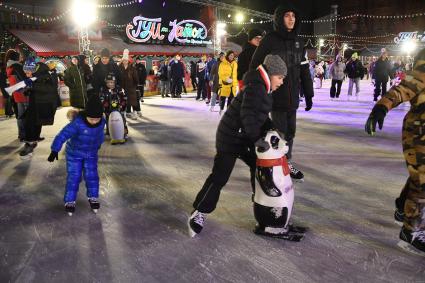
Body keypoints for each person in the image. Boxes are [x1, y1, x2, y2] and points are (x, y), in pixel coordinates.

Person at [188, 55, 287, 237]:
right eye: (280, 77)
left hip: (243, 137)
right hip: (230, 138)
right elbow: (248, 115)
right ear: (271, 74)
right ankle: (198, 213)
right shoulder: (257, 87)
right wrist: (257, 138)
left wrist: (272, 128)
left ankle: (262, 206)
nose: (281, 82)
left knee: (260, 168)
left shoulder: (262, 87)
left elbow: (260, 115)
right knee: (220, 176)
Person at [365, 48, 425, 255]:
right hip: (418, 134)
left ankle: (402, 205)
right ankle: (411, 231)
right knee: (422, 182)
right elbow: (400, 90)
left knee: (419, 176)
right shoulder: (422, 71)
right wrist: (381, 108)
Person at [250, 3, 314, 182]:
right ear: (280, 19)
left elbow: (304, 69)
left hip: (293, 96)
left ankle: (286, 161)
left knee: (291, 132)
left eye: (294, 15)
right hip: (275, 95)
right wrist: (258, 90)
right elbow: (255, 66)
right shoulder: (270, 40)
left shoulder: (298, 42)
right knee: (279, 132)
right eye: (287, 15)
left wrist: (308, 93)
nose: (291, 18)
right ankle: (274, 164)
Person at [48, 95, 106, 216]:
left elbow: (100, 135)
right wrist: (55, 150)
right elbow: (63, 135)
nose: (95, 121)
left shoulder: (102, 122)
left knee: (92, 176)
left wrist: (98, 145)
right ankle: (70, 200)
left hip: (91, 153)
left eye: (97, 119)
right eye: (92, 119)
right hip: (74, 154)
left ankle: (93, 197)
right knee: (74, 176)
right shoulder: (77, 123)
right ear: (86, 115)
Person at [19, 59, 58, 159]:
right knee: (32, 122)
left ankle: (30, 144)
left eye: (28, 73)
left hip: (44, 104)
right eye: (25, 73)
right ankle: (32, 142)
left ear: (34, 70)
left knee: (31, 122)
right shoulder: (36, 75)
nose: (27, 75)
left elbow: (51, 89)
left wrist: (33, 86)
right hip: (36, 102)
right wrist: (28, 90)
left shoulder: (47, 75)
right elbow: (37, 88)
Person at [5, 49, 29, 141]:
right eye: (19, 56)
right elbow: (24, 79)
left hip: (17, 94)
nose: (20, 58)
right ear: (16, 57)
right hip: (24, 93)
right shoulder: (17, 66)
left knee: (20, 116)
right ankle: (27, 135)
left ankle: (22, 135)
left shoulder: (9, 67)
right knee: (26, 115)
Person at [99, 73, 128, 139]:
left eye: (112, 82)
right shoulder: (103, 90)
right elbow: (101, 99)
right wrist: (105, 104)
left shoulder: (119, 89)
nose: (110, 84)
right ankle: (109, 132)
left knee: (122, 120)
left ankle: (124, 132)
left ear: (115, 82)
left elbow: (125, 98)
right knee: (108, 121)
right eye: (108, 82)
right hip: (108, 110)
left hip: (119, 109)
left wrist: (122, 105)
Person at [119, 49, 140, 119]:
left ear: (128, 60)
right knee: (124, 101)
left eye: (126, 60)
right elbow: (118, 77)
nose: (125, 61)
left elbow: (136, 78)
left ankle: (134, 113)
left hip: (131, 87)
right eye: (124, 60)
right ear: (122, 60)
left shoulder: (132, 68)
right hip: (123, 87)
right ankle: (126, 113)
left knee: (133, 101)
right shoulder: (119, 68)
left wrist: (135, 85)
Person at [218, 50, 238, 115]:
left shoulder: (235, 63)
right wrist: (226, 79)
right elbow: (220, 73)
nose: (232, 56)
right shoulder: (223, 63)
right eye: (230, 55)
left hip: (233, 84)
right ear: (227, 55)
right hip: (225, 83)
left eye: (233, 55)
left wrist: (236, 83)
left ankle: (228, 112)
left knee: (231, 98)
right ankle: (221, 109)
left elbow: (236, 74)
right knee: (223, 97)